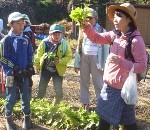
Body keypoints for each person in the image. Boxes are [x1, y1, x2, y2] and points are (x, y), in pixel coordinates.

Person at [80, 3, 147, 130]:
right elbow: (96, 37)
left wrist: (120, 62)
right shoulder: (115, 35)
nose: (115, 19)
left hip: (122, 89)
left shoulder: (136, 41)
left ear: (129, 19)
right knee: (126, 123)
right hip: (111, 85)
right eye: (115, 16)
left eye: (119, 16)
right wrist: (87, 26)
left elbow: (142, 66)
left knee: (115, 122)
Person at [0, 12, 34, 130]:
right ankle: (8, 117)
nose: (21, 26)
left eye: (23, 23)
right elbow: (2, 58)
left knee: (26, 95)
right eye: (18, 23)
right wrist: (13, 67)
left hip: (24, 73)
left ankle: (27, 116)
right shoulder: (6, 41)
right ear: (10, 24)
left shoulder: (26, 39)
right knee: (11, 97)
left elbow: (30, 53)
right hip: (11, 75)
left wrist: (30, 65)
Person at [74, 8, 109, 111]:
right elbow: (79, 46)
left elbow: (106, 49)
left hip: (97, 59)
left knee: (98, 82)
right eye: (86, 18)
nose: (88, 20)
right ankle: (85, 103)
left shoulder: (102, 30)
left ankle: (102, 105)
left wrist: (105, 64)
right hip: (84, 57)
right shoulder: (82, 29)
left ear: (95, 18)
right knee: (84, 81)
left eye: (90, 18)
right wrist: (77, 62)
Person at [34, 23, 72, 102]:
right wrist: (37, 66)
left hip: (58, 70)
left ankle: (58, 104)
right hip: (45, 69)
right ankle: (39, 103)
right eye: (55, 34)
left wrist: (60, 61)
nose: (57, 36)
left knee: (58, 88)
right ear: (50, 34)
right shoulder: (44, 43)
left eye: (59, 34)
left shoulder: (64, 43)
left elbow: (68, 56)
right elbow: (38, 55)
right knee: (41, 87)